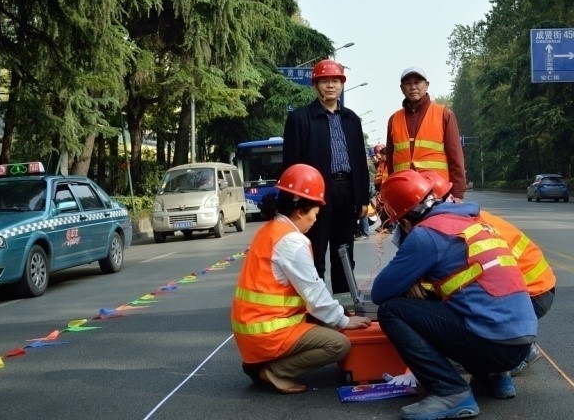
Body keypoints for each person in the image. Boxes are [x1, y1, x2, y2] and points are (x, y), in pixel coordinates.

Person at [372, 170, 537, 420]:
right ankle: (494, 378)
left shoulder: (425, 235)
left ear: (405, 221)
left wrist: (413, 279)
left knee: (392, 310)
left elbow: (380, 292)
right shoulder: (474, 221)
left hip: (493, 344)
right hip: (521, 345)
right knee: (458, 301)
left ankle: (450, 391)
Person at [231, 164, 371, 394]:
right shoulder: (292, 243)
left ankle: (263, 365)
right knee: (339, 344)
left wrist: (337, 317)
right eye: (314, 214)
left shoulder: (270, 230)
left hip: (253, 330)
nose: (315, 221)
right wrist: (344, 321)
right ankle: (275, 372)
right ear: (300, 211)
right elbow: (314, 292)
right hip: (268, 333)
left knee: (332, 320)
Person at [420, 170, 555, 374]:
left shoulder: (453, 228)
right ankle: (514, 351)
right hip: (541, 288)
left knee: (461, 304)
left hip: (531, 294)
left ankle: (515, 354)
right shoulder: (469, 214)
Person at [282, 59, 370, 294]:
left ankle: (345, 305)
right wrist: (293, 203)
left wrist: (363, 198)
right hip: (314, 198)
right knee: (314, 256)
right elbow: (291, 163)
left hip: (347, 192)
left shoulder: (351, 120)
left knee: (344, 255)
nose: (330, 86)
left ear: (341, 85)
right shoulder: (300, 119)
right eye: (324, 81)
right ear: (315, 85)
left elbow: (360, 161)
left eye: (335, 80)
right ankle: (316, 308)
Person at [384, 66, 467, 202]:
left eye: (417, 82)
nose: (413, 87)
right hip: (405, 195)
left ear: (427, 85)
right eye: (408, 83)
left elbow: (456, 158)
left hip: (438, 193)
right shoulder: (394, 120)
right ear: (402, 88)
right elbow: (390, 161)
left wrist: (457, 194)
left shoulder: (444, 114)